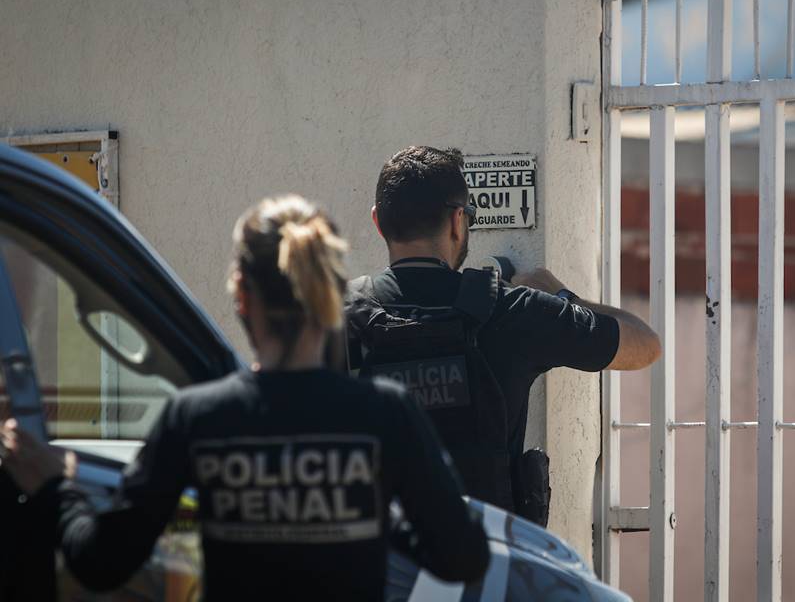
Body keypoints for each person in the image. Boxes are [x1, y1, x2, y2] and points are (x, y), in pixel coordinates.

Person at [0, 194, 489, 601]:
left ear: (240, 298)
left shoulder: (197, 418)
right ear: (329, 295)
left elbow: (101, 563)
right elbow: (463, 556)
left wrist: (54, 485)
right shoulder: (386, 415)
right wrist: (378, 513)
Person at [345, 146, 661, 524]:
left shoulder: (331, 315)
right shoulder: (513, 310)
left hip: (372, 565)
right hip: (485, 567)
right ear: (457, 222)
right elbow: (645, 345)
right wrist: (561, 295)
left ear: (379, 222)